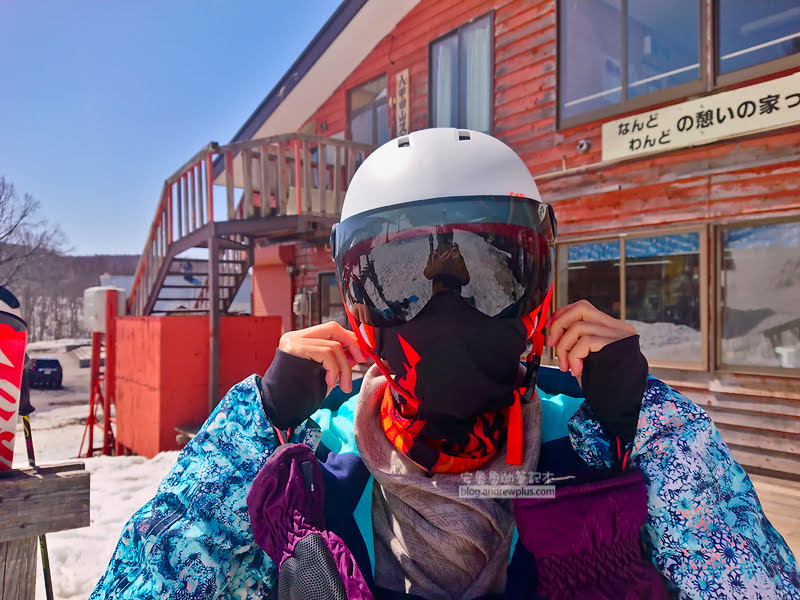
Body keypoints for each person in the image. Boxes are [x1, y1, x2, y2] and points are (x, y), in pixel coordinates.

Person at [90, 129, 799, 600]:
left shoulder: (594, 443)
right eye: (401, 278)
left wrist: (648, 428)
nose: (447, 308)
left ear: (540, 283)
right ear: (357, 301)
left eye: (491, 273)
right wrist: (256, 428)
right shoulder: (305, 476)